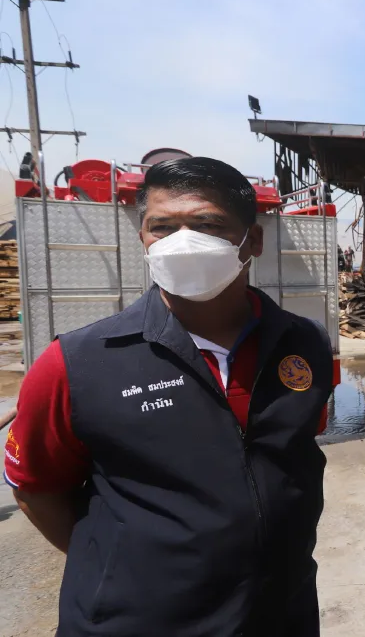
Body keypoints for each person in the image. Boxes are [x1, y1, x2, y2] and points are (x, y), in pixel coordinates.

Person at [5, 157, 332, 635]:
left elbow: (294, 456)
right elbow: (36, 488)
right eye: (162, 226)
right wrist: (131, 567)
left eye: (207, 224)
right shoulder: (76, 363)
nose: (182, 241)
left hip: (281, 611)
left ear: (253, 240)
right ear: (143, 239)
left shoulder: (304, 344)